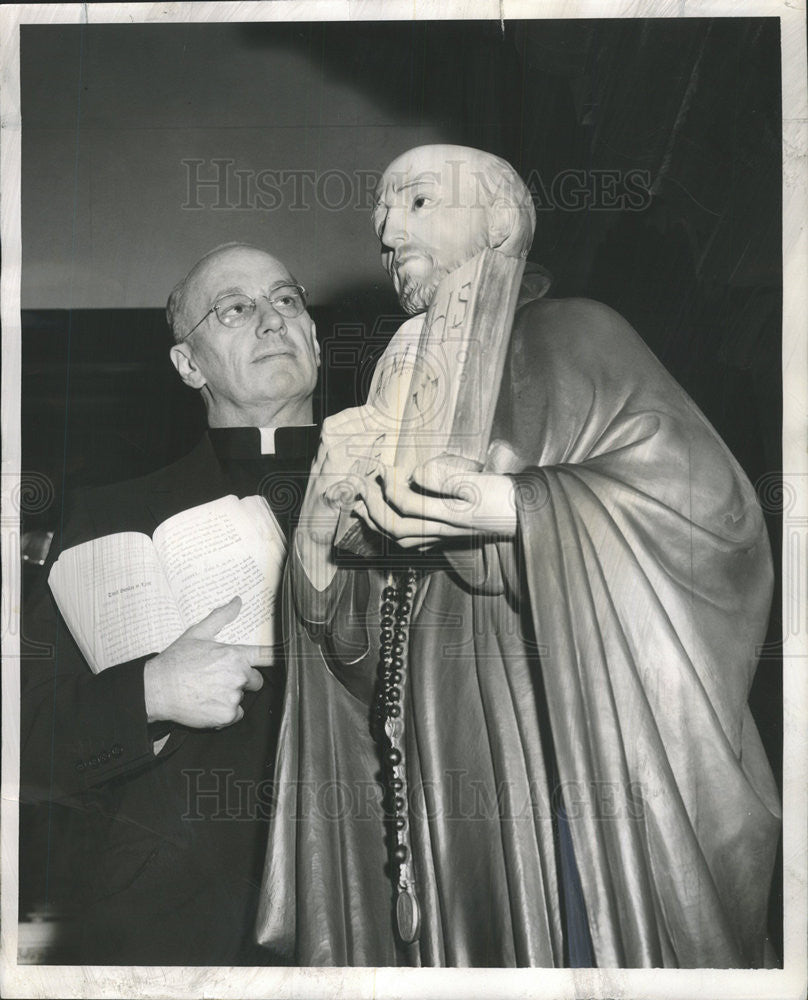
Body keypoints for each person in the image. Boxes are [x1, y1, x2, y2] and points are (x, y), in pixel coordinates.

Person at [256, 146, 781, 968]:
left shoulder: (578, 334)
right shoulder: (398, 385)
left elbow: (711, 520)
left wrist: (521, 508)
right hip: (441, 788)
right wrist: (319, 545)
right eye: (382, 220)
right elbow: (373, 657)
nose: (388, 234)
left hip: (561, 764)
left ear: (500, 219)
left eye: (418, 202)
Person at [21, 243, 321, 964]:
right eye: (236, 308)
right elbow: (25, 735)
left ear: (313, 335)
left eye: (286, 299)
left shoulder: (402, 495)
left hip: (382, 898)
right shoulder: (111, 522)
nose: (272, 320)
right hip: (187, 924)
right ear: (188, 365)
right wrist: (150, 690)